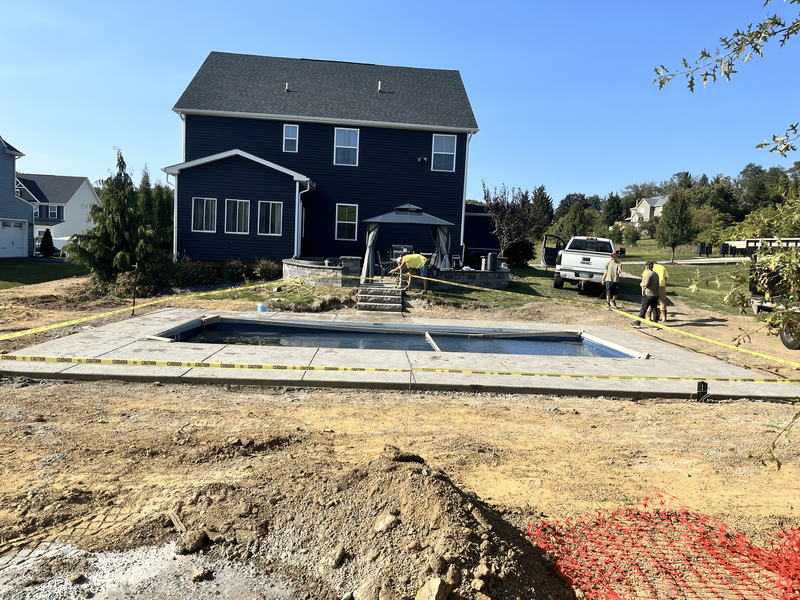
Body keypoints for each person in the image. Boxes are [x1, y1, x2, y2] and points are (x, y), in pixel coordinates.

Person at [632, 261, 659, 328]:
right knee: (654, 308)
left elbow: (646, 284)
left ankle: (638, 323)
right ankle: (655, 324)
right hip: (656, 294)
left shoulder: (649, 274)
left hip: (649, 294)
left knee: (643, 308)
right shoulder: (656, 274)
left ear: (647, 267)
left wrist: (641, 284)